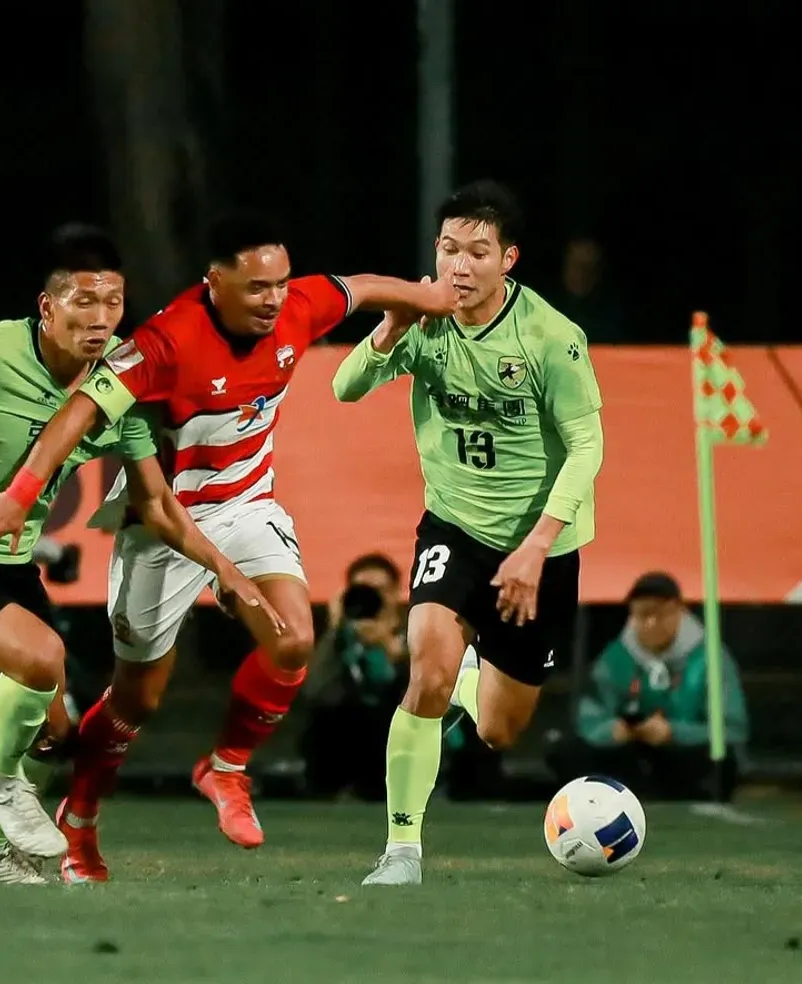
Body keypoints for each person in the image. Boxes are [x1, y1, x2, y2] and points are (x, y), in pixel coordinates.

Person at [0, 210, 457, 881]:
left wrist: (433, 297)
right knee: (136, 699)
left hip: (247, 507)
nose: (273, 298)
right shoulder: (165, 342)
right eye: (255, 287)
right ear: (213, 282)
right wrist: (21, 493)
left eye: (279, 283)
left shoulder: (296, 307)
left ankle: (225, 768)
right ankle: (79, 819)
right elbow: (77, 413)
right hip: (164, 523)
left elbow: (362, 287)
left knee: (294, 639)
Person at [0, 224, 281, 884]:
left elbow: (156, 504)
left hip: (10, 571)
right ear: (48, 306)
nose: (101, 320)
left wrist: (225, 570)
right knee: (43, 659)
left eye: (113, 303)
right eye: (84, 303)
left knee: (55, 735)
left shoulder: (115, 387)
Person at [331, 180, 605, 886]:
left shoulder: (550, 338)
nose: (460, 264)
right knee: (423, 666)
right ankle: (401, 853)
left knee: (498, 731)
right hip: (453, 527)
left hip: (541, 548)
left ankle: (473, 679)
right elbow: (345, 388)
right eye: (449, 248)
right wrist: (391, 325)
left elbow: (586, 449)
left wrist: (536, 548)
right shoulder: (425, 322)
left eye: (478, 251)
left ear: (507, 259)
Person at [547, 572, 749, 800]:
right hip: (631, 752)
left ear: (679, 611)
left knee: (718, 759)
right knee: (569, 752)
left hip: (683, 754)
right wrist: (612, 730)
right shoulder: (616, 657)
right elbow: (590, 716)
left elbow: (732, 729)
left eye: (660, 614)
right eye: (642, 615)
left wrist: (674, 732)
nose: (651, 623)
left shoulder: (710, 658)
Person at [301, 553, 408, 801]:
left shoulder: (415, 633)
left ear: (395, 593)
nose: (371, 599)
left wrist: (394, 653)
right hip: (340, 753)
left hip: (396, 751)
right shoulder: (338, 640)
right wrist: (336, 630)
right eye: (363, 590)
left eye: (379, 590)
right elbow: (315, 693)